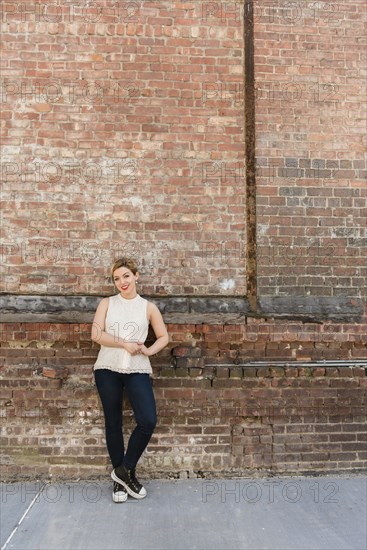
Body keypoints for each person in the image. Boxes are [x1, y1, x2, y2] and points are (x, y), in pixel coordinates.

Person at [91, 257, 169, 503]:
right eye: (116, 278)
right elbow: (96, 334)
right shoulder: (106, 303)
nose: (121, 282)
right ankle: (120, 483)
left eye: (126, 276)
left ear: (136, 276)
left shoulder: (148, 307)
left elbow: (164, 336)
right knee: (113, 423)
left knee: (148, 420)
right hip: (107, 367)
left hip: (137, 368)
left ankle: (124, 471)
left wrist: (149, 350)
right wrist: (123, 343)